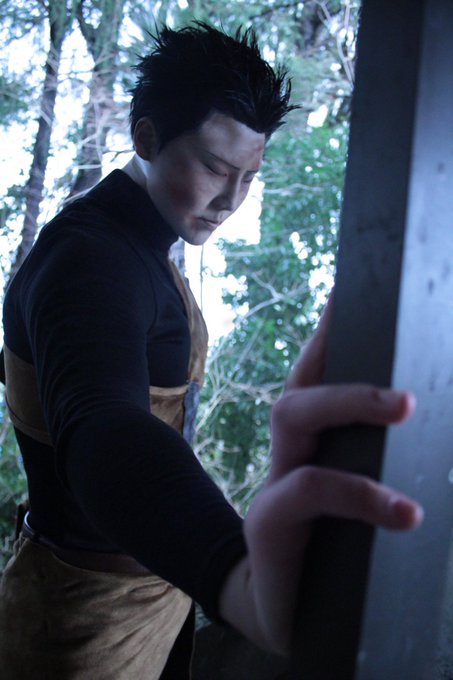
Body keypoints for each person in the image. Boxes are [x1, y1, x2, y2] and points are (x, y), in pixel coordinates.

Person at [0, 22, 423, 679]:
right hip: (81, 626)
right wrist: (234, 569)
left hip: (146, 595)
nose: (231, 200)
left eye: (249, 176)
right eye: (215, 169)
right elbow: (103, 428)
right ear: (146, 139)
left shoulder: (139, 241)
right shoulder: (92, 259)